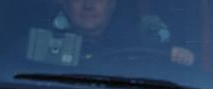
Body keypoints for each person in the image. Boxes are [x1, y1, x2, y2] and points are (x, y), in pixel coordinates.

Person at [37, 0, 193, 67]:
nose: (88, 4)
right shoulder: (36, 44)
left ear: (113, 3)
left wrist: (178, 56)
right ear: (62, 2)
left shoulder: (150, 39)